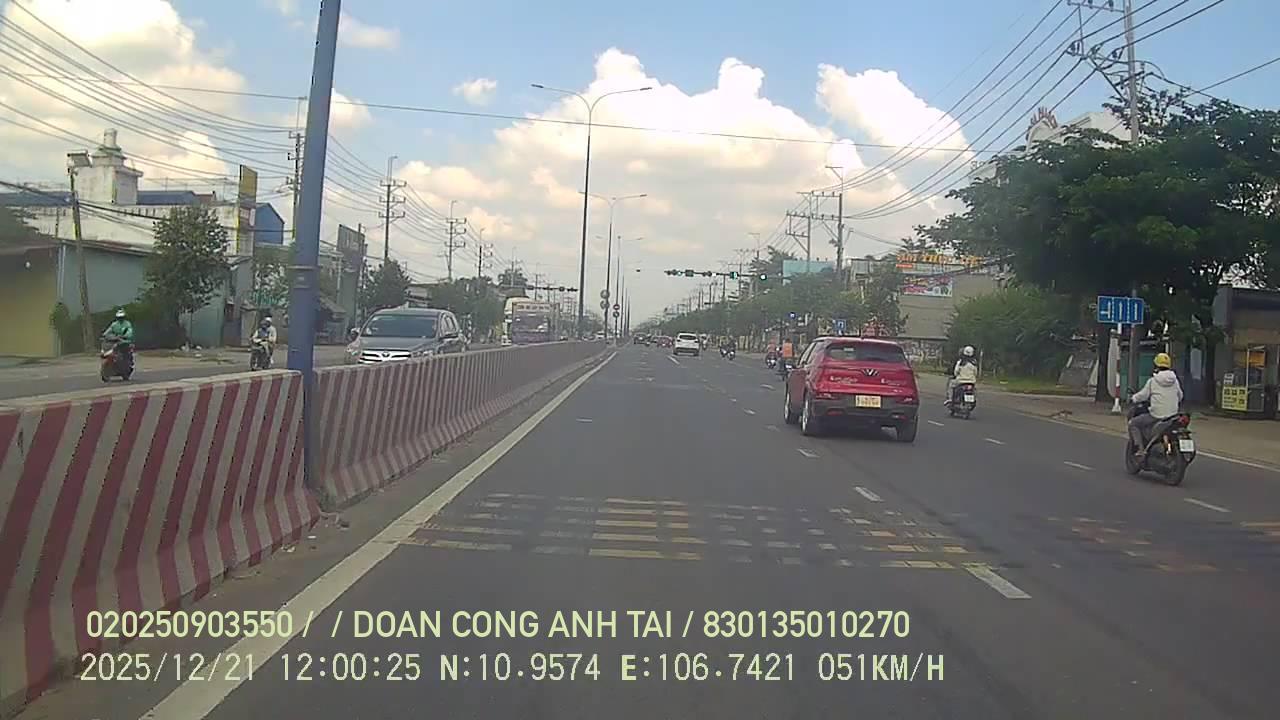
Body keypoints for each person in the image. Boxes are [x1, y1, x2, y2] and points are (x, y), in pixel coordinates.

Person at [1128, 353, 1183, 459]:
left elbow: (1143, 395)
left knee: (1133, 424)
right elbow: (1180, 396)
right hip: (1173, 415)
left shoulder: (1153, 381)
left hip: (1157, 415)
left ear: (1156, 366)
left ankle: (1140, 449)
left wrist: (1133, 398)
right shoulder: (1175, 381)